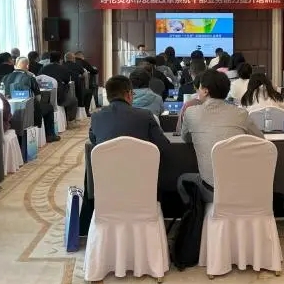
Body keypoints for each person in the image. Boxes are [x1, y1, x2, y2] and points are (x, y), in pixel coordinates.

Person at [181, 70, 264, 201]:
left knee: (182, 180)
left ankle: (199, 213)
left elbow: (185, 138)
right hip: (243, 189)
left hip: (211, 191)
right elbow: (261, 142)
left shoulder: (190, 113)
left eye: (199, 88)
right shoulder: (241, 114)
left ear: (205, 91)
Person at [90, 76, 170, 152]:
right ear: (129, 94)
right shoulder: (145, 115)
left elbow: (95, 143)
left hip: (107, 161)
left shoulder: (96, 117)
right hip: (140, 161)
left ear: (107, 97)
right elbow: (163, 145)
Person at [3, 57, 59, 141]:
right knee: (49, 107)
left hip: (10, 111)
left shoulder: (5, 77)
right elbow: (38, 98)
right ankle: (50, 135)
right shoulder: (30, 78)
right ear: (27, 66)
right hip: (28, 112)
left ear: (15, 65)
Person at [40, 51, 77, 121]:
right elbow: (67, 81)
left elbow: (39, 79)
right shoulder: (63, 68)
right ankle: (69, 119)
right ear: (60, 60)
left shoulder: (43, 68)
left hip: (45, 97)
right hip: (60, 98)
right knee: (74, 100)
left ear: (50, 59)